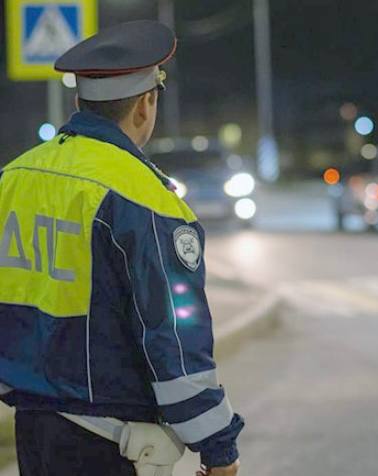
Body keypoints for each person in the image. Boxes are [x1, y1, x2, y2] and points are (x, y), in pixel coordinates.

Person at [0, 20, 243, 476]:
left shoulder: (13, 178)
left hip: (32, 435)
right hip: (112, 447)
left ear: (80, 100)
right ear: (146, 104)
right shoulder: (144, 199)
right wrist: (218, 448)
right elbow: (173, 337)